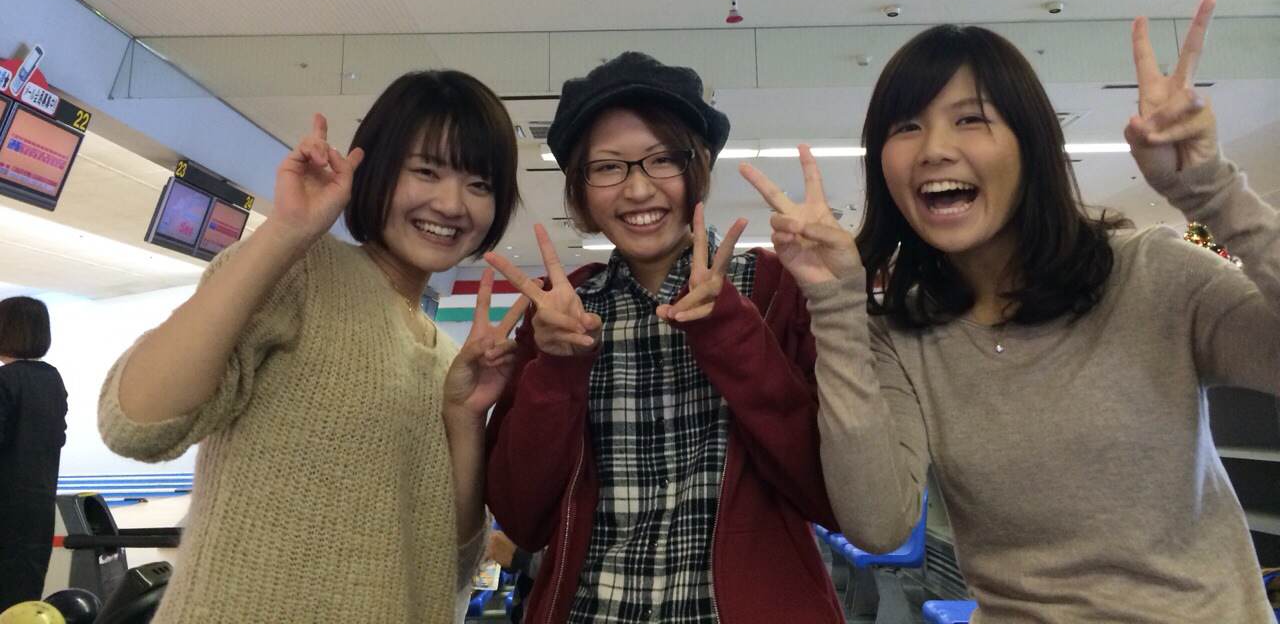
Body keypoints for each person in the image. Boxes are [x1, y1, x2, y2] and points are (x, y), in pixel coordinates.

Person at [741, 0, 1280, 622]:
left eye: (970, 119)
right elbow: (878, 525)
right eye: (906, 126)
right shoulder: (902, 333)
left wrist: (1212, 192)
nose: (933, 148)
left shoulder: (1150, 274)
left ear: (1031, 145)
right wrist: (834, 304)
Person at [98, 70, 525, 624]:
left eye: (480, 185)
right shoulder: (302, 271)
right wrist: (285, 232)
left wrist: (466, 419)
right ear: (375, 169)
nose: (452, 203)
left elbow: (452, 565)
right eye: (426, 171)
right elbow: (136, 423)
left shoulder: (449, 359)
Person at [484, 52, 844, 624]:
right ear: (580, 188)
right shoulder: (560, 311)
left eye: (662, 160)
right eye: (608, 167)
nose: (637, 189)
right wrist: (554, 370)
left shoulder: (775, 290)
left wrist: (731, 331)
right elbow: (523, 519)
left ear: (697, 166)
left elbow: (832, 496)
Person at [0, 296, 67, 611]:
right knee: (22, 601)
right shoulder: (52, 379)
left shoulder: (5, 380)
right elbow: (56, 438)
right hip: (38, 512)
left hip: (5, 513)